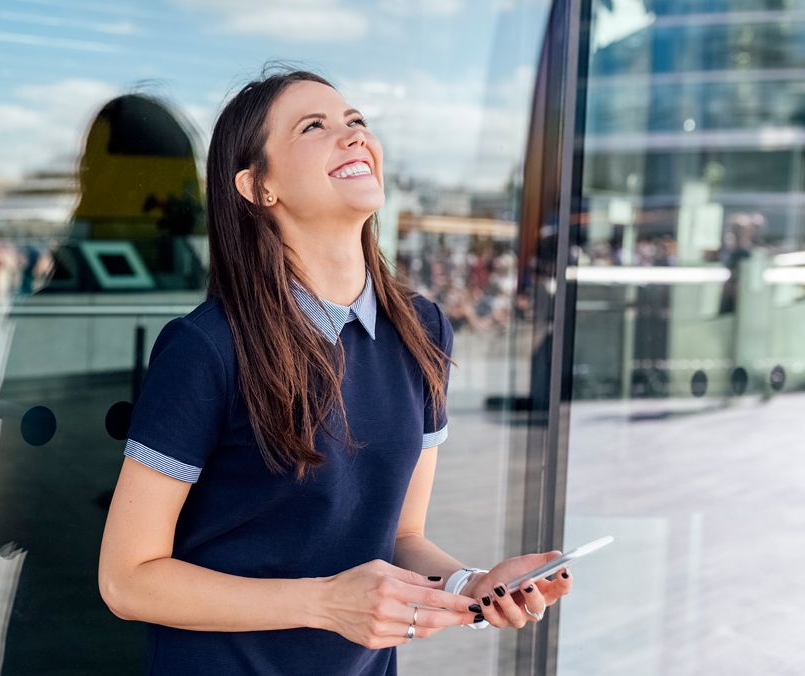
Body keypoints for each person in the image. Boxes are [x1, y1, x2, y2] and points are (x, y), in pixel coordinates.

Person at [98, 69, 574, 675]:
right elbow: (127, 579)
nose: (352, 136)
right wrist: (323, 603)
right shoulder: (206, 348)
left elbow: (399, 537)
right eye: (313, 127)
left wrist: (470, 586)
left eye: (356, 122)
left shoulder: (423, 331)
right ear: (258, 185)